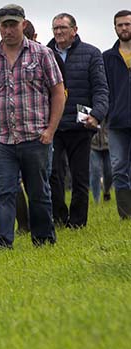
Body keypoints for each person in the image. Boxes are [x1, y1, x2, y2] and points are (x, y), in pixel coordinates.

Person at [0, 4, 66, 248]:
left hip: (35, 137)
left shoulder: (42, 54)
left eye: (13, 24)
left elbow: (58, 93)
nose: (9, 30)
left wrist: (50, 130)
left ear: (23, 25)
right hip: (0, 140)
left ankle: (43, 240)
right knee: (3, 192)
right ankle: (2, 242)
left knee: (39, 192)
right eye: (4, 25)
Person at [46, 13, 109, 228]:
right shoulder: (45, 53)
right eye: (55, 28)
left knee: (80, 177)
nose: (58, 32)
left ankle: (78, 222)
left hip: (80, 125)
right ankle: (59, 217)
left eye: (62, 28)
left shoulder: (92, 54)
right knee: (52, 174)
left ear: (75, 30)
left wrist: (97, 115)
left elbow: (101, 89)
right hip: (52, 125)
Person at [103, 10, 131, 218]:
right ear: (115, 28)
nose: (124, 28)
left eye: (127, 24)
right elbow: (102, 89)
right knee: (119, 167)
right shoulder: (107, 58)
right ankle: (126, 215)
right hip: (117, 121)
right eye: (120, 25)